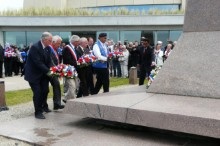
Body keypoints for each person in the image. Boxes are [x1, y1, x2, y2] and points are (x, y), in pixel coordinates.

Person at [24, 32, 53, 119]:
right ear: (44, 40)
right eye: (50, 40)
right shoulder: (35, 47)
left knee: (45, 90)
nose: (51, 42)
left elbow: (49, 61)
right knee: (37, 93)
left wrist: (55, 69)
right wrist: (49, 72)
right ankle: (38, 112)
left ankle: (44, 106)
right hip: (33, 75)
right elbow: (38, 63)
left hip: (43, 75)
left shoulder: (48, 48)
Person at [49, 35, 65, 110]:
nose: (59, 45)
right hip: (49, 71)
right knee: (45, 89)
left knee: (57, 85)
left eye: (60, 44)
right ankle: (44, 105)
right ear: (53, 42)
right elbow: (50, 61)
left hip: (54, 70)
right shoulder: (49, 48)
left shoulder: (55, 49)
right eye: (58, 44)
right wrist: (57, 68)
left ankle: (57, 104)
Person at [62, 35, 80, 102]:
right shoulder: (67, 48)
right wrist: (77, 63)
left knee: (75, 86)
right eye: (78, 42)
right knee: (72, 86)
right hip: (68, 70)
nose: (78, 43)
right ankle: (73, 101)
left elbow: (76, 58)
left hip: (74, 70)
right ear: (74, 41)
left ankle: (66, 98)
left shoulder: (74, 48)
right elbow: (67, 60)